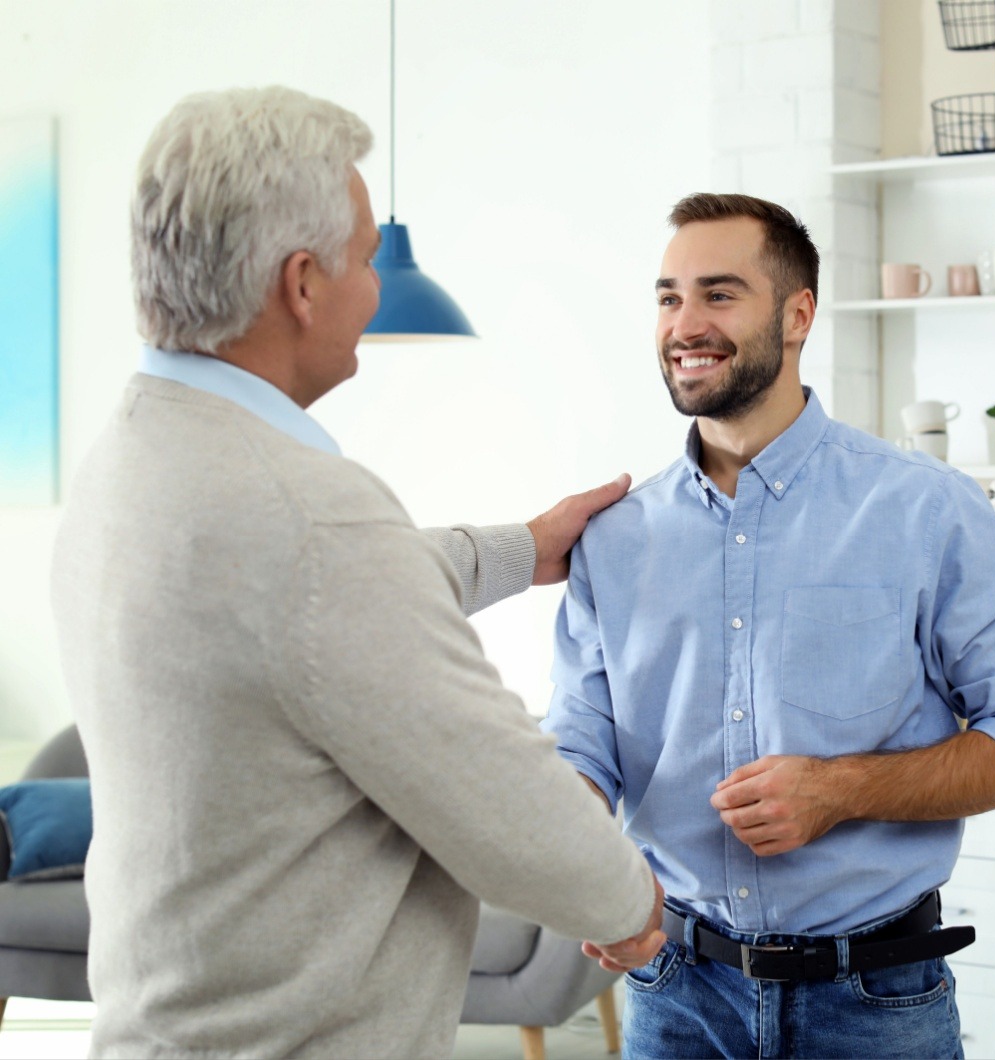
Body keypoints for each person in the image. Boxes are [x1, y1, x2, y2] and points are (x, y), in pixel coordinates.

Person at [50, 86, 664, 1058]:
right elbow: (502, 793)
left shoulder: (132, 459)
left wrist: (524, 545)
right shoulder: (310, 518)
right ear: (302, 284)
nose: (375, 288)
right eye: (369, 257)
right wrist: (626, 899)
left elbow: (306, 604)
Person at [541, 192, 995, 1059]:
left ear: (798, 315)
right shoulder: (614, 536)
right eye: (669, 298)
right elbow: (580, 743)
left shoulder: (924, 511)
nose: (685, 324)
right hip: (676, 997)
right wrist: (579, 864)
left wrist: (840, 790)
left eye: (719, 294)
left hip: (874, 1004)